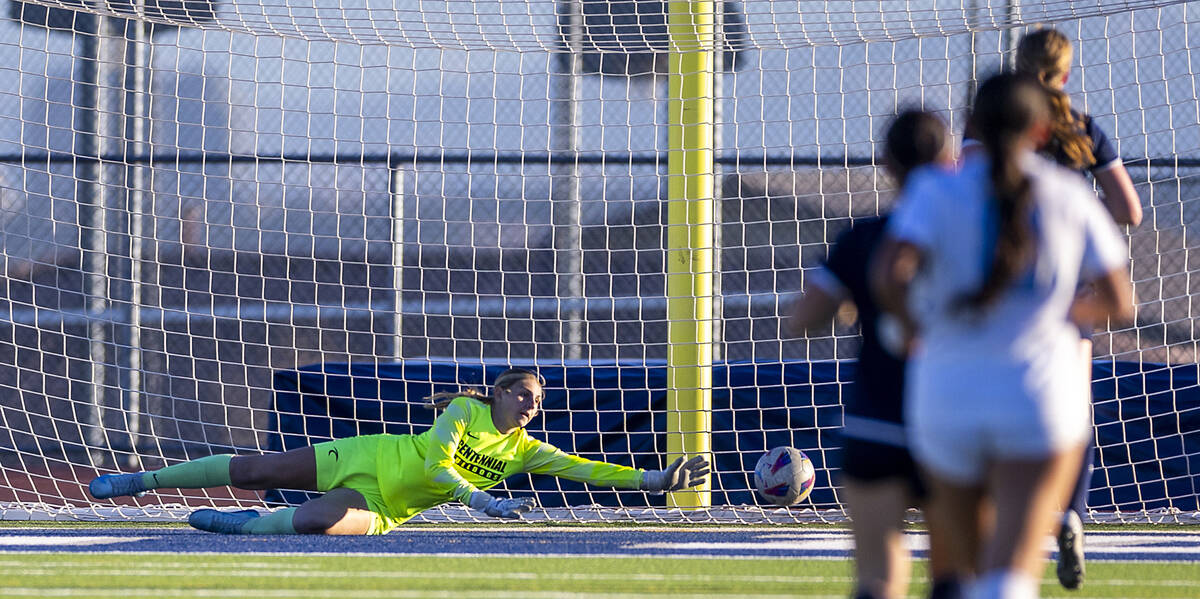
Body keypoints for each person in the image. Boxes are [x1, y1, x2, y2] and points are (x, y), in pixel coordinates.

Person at [872, 73, 1133, 598]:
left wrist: (916, 326)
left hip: (945, 395)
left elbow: (888, 275)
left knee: (963, 568)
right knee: (1010, 573)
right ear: (1041, 131)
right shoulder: (1067, 193)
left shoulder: (934, 189)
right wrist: (1051, 311)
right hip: (1036, 397)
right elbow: (1121, 302)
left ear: (970, 126)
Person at [89, 368, 710, 535]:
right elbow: (440, 461)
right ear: (498, 393)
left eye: (536, 403)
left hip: (386, 504)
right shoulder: (463, 411)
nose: (529, 407)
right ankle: (139, 480)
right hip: (371, 456)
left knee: (311, 521)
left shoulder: (525, 449)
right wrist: (479, 500)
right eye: (521, 396)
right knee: (258, 467)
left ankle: (244, 527)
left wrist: (653, 481)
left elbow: (588, 469)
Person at [790, 110, 959, 599]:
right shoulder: (975, 238)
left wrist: (848, 297)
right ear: (950, 159)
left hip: (877, 419)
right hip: (954, 422)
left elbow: (801, 320)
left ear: (887, 163)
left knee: (878, 581)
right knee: (955, 579)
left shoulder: (864, 238)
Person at [1012, 28, 1143, 590]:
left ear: (1018, 68)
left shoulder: (998, 127)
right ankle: (1072, 510)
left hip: (1011, 280)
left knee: (1005, 395)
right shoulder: (1083, 129)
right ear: (1065, 74)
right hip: (1072, 287)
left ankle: (1006, 517)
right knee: (1072, 405)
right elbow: (1130, 210)